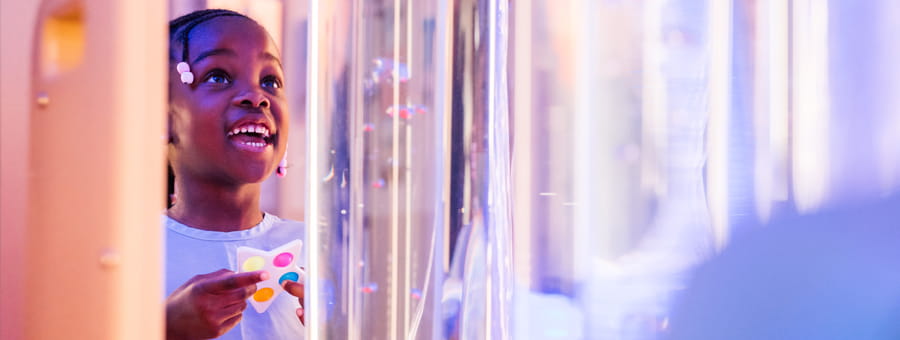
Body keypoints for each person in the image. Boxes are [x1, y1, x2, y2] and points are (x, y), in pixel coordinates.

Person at [163, 9, 305, 339]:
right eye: (218, 76)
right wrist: (163, 330)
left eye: (270, 81)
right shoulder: (127, 254)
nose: (257, 97)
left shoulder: (324, 253)